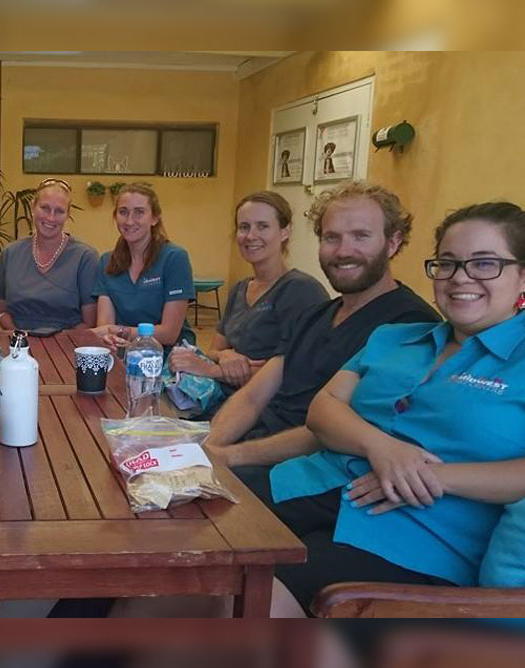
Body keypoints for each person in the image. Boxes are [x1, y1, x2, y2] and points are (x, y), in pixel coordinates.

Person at [250, 201, 525, 616]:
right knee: (179, 545)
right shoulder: (395, 337)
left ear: (522, 274)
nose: (460, 278)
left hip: (415, 536)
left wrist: (428, 475)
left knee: (251, 597)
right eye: (447, 264)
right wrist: (383, 449)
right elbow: (323, 411)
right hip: (312, 488)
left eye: (485, 264)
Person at [206, 182, 439, 469]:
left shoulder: (411, 325)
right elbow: (254, 396)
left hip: (309, 470)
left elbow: (332, 430)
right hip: (253, 447)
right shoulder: (315, 316)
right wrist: (210, 448)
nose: (343, 251)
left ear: (393, 242)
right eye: (331, 237)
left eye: (360, 236)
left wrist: (231, 458)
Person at [170, 192, 327, 388]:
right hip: (225, 394)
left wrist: (212, 370)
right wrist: (224, 355)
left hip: (267, 408)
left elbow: (298, 370)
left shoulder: (302, 291)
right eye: (244, 227)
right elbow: (212, 351)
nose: (251, 236)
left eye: (263, 226)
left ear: (285, 231)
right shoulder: (240, 289)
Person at [91, 182, 196, 350]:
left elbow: (169, 333)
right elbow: (106, 328)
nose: (130, 221)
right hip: (123, 352)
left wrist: (120, 331)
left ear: (154, 218)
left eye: (139, 212)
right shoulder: (107, 261)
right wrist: (111, 336)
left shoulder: (174, 258)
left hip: (169, 356)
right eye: (123, 212)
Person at [0, 178, 98, 332]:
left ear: (68, 214)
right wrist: (21, 338)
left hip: (67, 346)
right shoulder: (11, 253)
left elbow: (90, 323)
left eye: (59, 211)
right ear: (33, 207)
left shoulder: (85, 257)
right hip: (18, 345)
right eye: (45, 208)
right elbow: (1, 311)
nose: (51, 218)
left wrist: (54, 343)